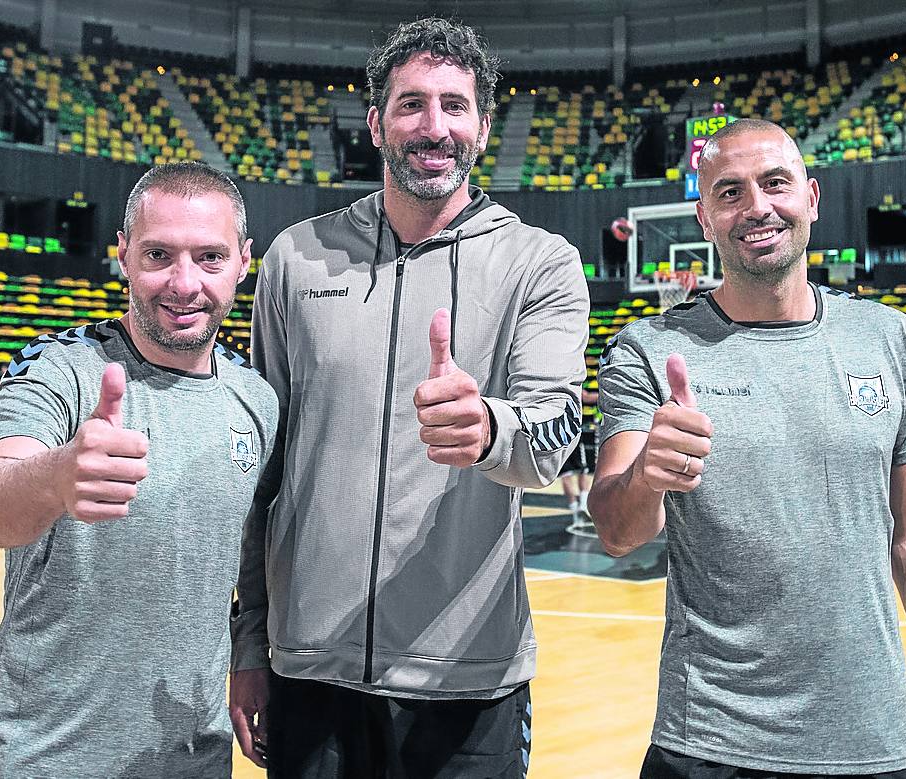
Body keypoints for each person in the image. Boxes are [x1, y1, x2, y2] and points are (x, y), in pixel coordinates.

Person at [588, 119, 906, 779]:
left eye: (775, 183)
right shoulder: (650, 349)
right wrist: (648, 476)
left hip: (874, 739)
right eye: (730, 192)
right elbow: (617, 532)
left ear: (811, 198)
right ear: (704, 219)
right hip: (711, 743)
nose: (757, 206)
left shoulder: (889, 338)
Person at [229, 17, 590, 778]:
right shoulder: (297, 257)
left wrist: (489, 427)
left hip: (468, 675)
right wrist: (249, 639)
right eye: (411, 104)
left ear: (482, 128)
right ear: (375, 123)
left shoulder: (540, 263)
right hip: (308, 667)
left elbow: (554, 434)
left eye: (455, 106)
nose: (435, 127)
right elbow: (265, 470)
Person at [0, 162, 279, 777]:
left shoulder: (255, 398)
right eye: (159, 255)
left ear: (243, 261)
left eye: (210, 258)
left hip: (193, 755)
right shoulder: (62, 370)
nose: (184, 283)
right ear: (123, 255)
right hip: (47, 756)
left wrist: (248, 655)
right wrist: (56, 476)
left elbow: (250, 554)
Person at [560, 387, 599, 530]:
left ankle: (579, 507)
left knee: (577, 470)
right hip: (573, 426)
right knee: (572, 471)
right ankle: (580, 507)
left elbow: (585, 396)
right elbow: (585, 396)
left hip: (571, 426)